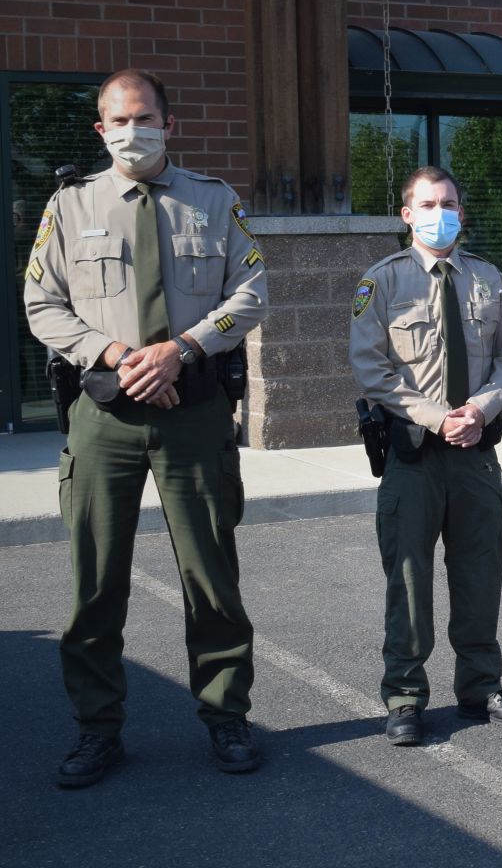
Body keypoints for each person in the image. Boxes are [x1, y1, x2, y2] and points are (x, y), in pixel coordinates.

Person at [24, 69, 266, 786]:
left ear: (170, 121)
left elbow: (251, 291)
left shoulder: (214, 201)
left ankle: (226, 716)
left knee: (211, 577)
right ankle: (98, 730)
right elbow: (42, 302)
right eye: (117, 120)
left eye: (145, 117)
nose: (133, 131)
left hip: (193, 415)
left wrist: (180, 350)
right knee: (95, 585)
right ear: (100, 129)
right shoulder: (69, 205)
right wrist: (118, 355)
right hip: (104, 418)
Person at [349, 165, 502, 747]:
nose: (440, 213)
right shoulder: (380, 283)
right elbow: (370, 367)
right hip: (414, 456)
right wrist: (438, 417)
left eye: (449, 203)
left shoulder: (486, 278)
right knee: (407, 577)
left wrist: (478, 409)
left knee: (480, 572)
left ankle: (481, 687)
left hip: (475, 455)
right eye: (428, 205)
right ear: (407, 215)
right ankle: (405, 695)